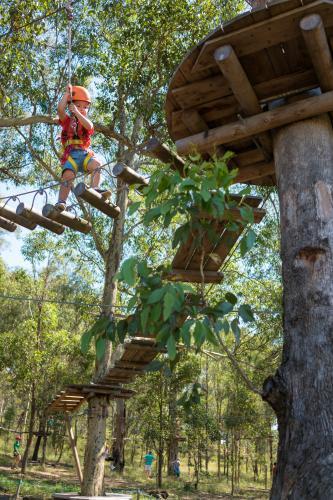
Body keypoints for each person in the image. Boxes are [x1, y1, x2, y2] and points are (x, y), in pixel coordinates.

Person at [56, 85, 109, 211]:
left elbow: (90, 125)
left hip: (84, 155)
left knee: (97, 164)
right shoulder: (67, 121)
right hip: (71, 156)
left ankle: (95, 188)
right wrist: (66, 95)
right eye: (78, 106)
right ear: (71, 106)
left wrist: (78, 112)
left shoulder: (85, 122)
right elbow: (60, 110)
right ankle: (61, 202)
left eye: (85, 107)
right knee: (67, 175)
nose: (82, 109)